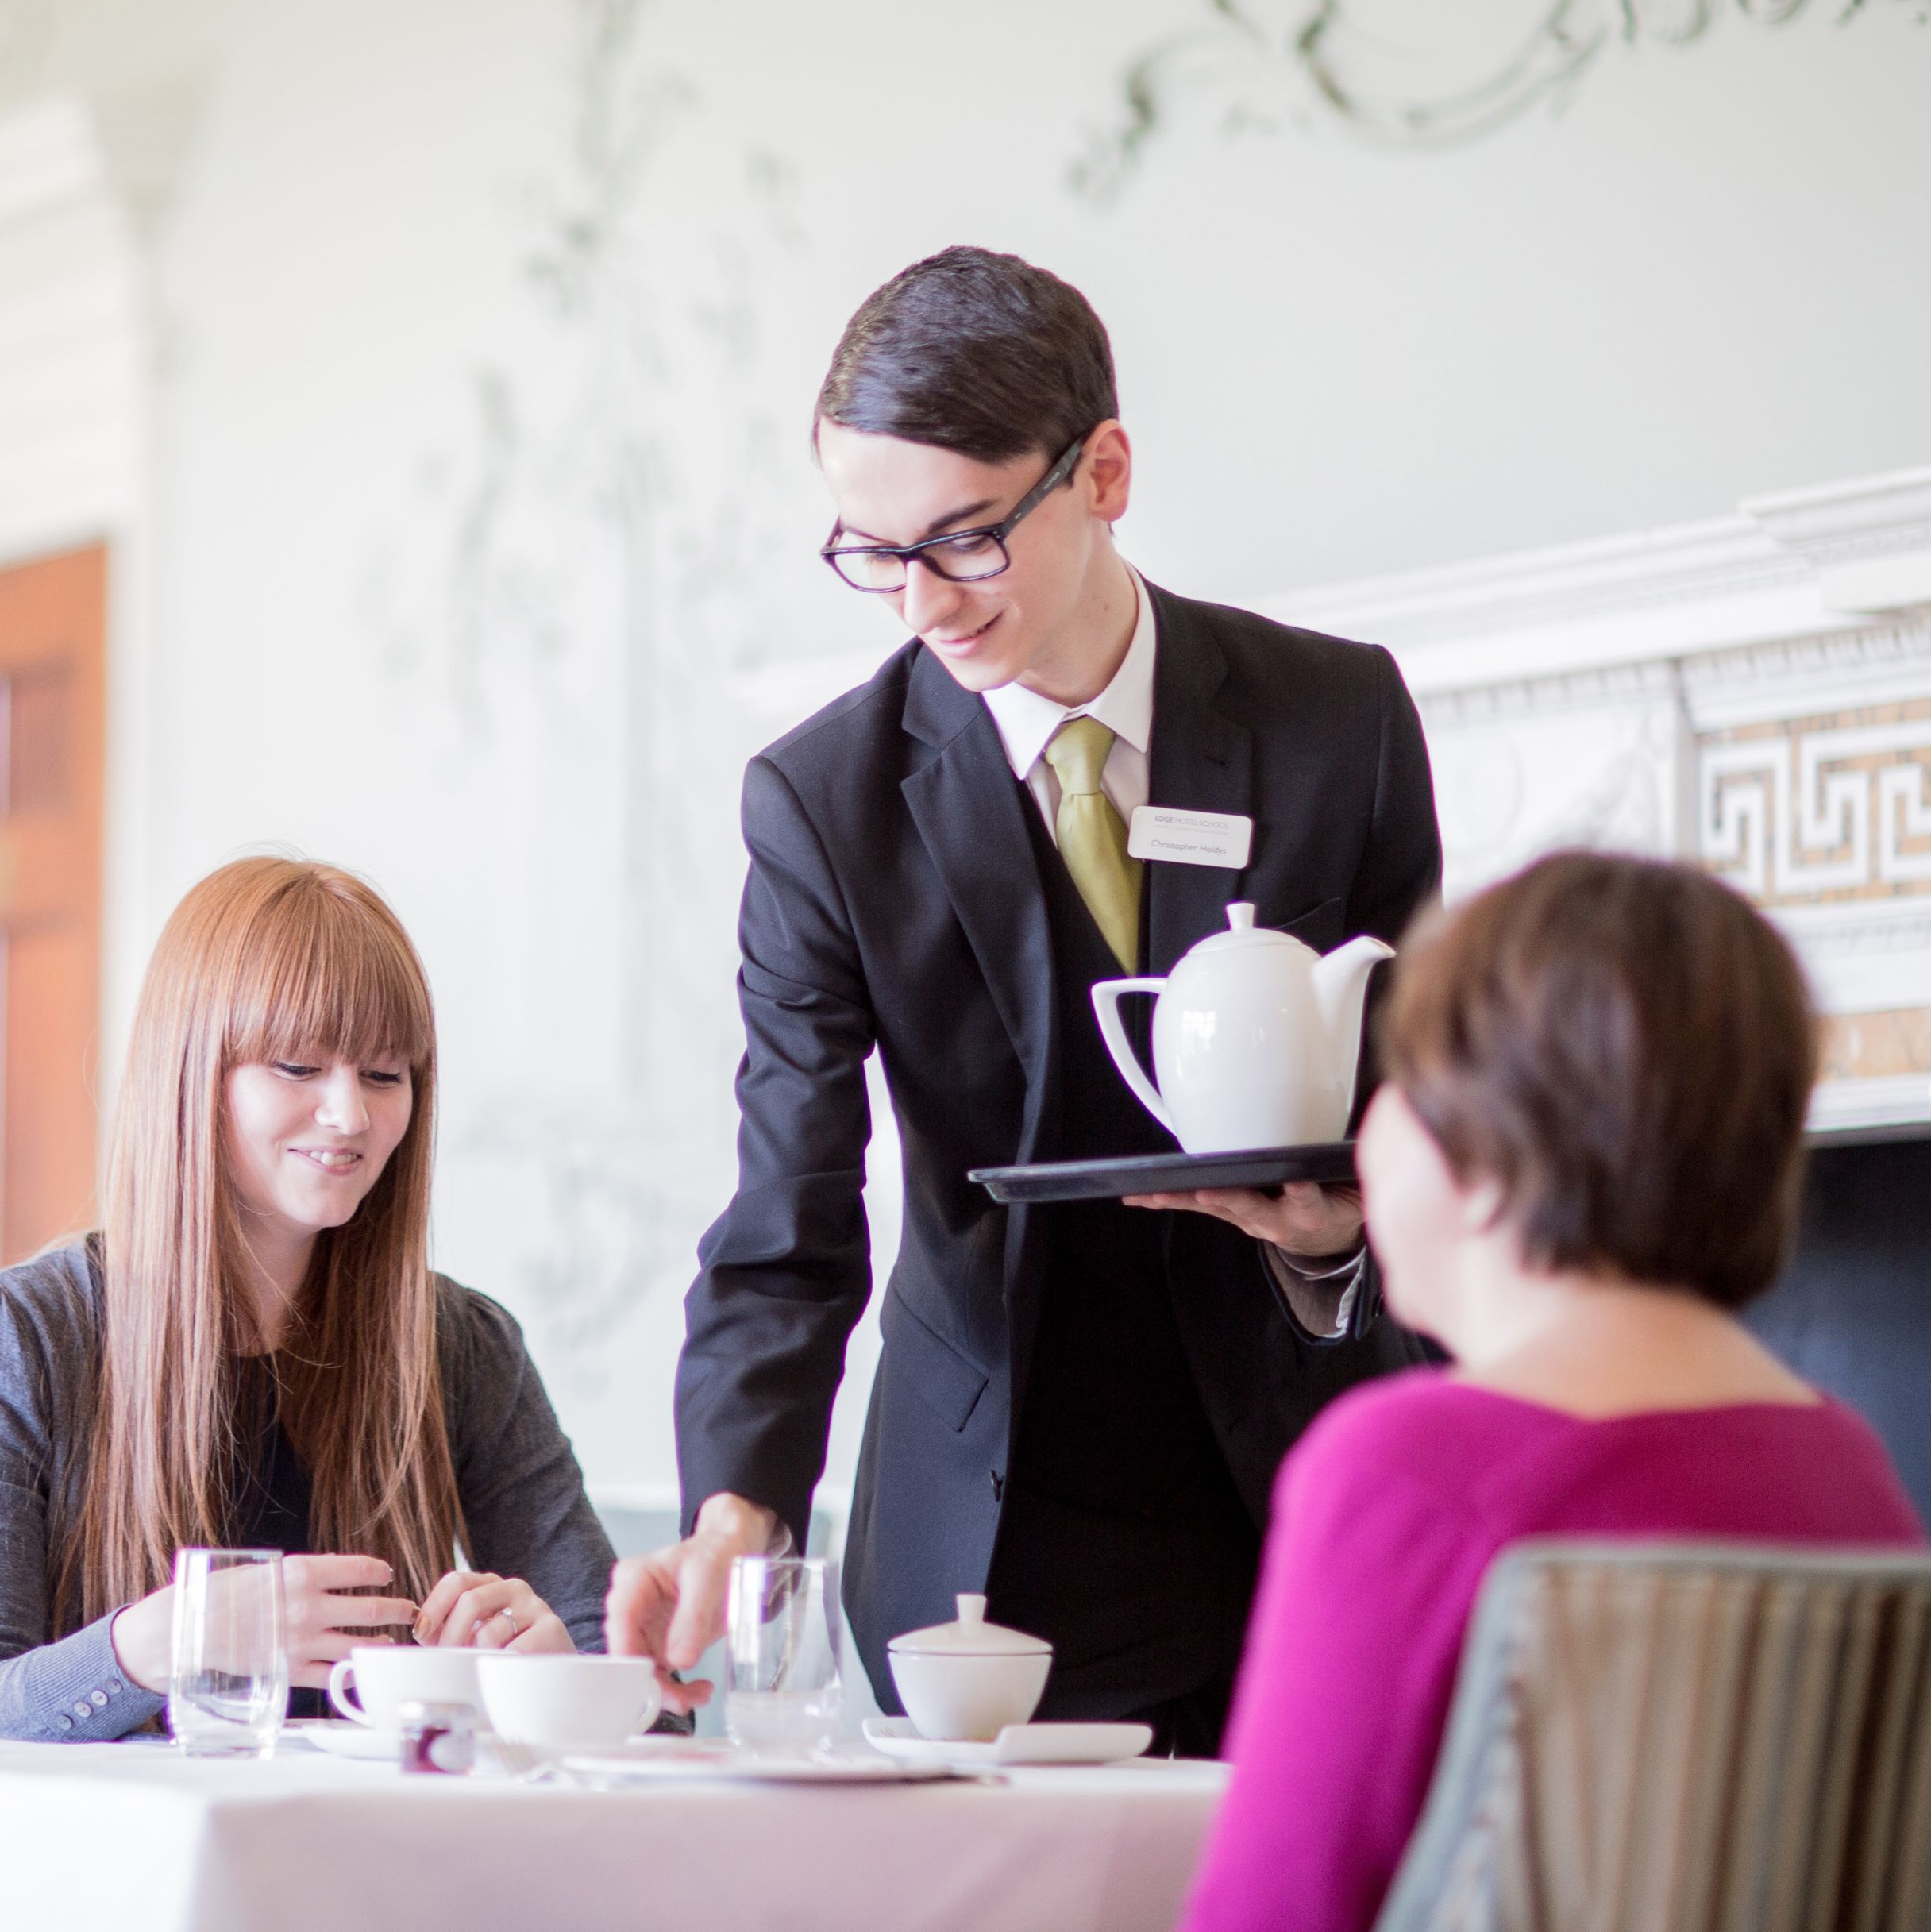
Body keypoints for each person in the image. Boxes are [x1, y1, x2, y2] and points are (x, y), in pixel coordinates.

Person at [608, 247, 1443, 1754]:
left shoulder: (1341, 725)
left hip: (1314, 1503)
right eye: (871, 549)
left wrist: (1342, 1234)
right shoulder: (822, 804)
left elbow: (1442, 1119)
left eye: (967, 538)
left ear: (1103, 471)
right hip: (996, 1560)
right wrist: (738, 1508)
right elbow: (787, 1215)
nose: (920, 600)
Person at [1179, 851, 1925, 1932]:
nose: (1368, 1131)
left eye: (1400, 1083)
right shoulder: (1849, 1470)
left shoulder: (1407, 1472)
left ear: (1493, 1148)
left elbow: (1275, 1913)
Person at [0, 854, 617, 1738]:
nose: (351, 1115)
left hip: (376, 1861)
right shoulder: (5, 1343)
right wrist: (166, 1643)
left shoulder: (459, 1344)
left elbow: (642, 1698)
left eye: (386, 1076)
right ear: (193, 1076)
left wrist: (562, 1683)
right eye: (296, 1066)